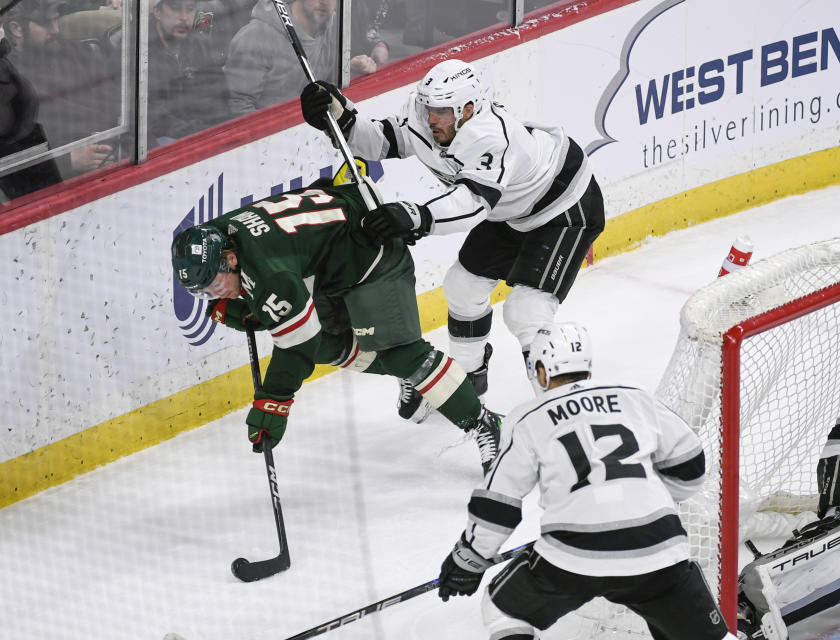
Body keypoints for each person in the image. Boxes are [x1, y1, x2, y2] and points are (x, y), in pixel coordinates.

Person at [300, 59, 605, 425]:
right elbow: (382, 140)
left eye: (442, 113)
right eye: (429, 108)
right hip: (509, 208)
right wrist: (339, 116)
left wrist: (415, 215)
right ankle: (465, 381)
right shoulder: (426, 117)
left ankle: (561, 410)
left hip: (563, 205)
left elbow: (472, 204)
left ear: (469, 110)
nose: (432, 120)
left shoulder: (492, 138)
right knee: (462, 288)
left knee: (525, 310)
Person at [171, 177, 503, 474]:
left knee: (400, 353)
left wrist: (272, 403)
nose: (214, 296)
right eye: (202, 292)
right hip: (330, 252)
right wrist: (255, 305)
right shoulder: (216, 235)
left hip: (371, 249)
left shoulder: (270, 273)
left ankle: (485, 423)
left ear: (229, 259)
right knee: (327, 344)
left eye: (214, 286)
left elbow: (295, 349)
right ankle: (418, 379)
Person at [435, 322, 736, 640]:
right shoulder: (633, 397)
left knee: (504, 610)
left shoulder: (528, 418)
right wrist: (640, 496)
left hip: (575, 556)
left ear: (540, 371)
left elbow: (498, 506)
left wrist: (470, 556)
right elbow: (691, 467)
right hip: (659, 546)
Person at [3, 0, 120, 178]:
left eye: (56, 20)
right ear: (16, 29)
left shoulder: (77, 51)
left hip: (118, 154)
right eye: (45, 23)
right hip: (62, 182)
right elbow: (8, 157)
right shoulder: (7, 79)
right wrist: (67, 160)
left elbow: (115, 101)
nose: (56, 30)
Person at [223, 0, 373, 116]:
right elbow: (237, 108)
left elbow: (324, 82)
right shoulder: (255, 38)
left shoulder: (335, 27)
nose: (324, 2)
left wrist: (350, 69)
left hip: (313, 130)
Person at [147, 0, 230, 147]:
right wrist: (195, 131)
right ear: (157, 12)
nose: (184, 17)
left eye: (190, 9)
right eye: (175, 8)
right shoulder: (137, 51)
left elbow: (220, 96)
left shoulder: (202, 45)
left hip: (203, 133)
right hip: (164, 140)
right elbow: (150, 114)